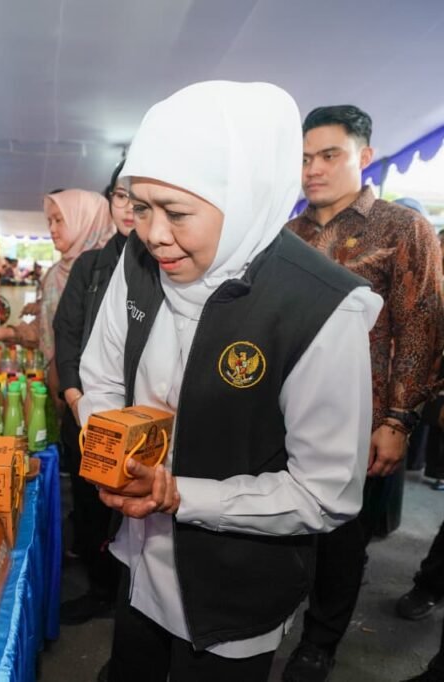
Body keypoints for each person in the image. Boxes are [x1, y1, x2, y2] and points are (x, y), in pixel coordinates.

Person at [78, 81, 381, 682]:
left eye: (177, 212)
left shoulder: (319, 306)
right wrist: (107, 452)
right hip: (139, 557)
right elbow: (102, 378)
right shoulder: (137, 261)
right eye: (140, 207)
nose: (154, 233)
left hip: (233, 584)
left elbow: (324, 492)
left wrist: (179, 495)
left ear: (243, 196)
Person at [282, 105, 444, 682]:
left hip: (364, 416)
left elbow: (421, 325)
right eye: (304, 158)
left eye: (330, 155)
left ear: (364, 156)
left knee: (341, 537)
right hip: (287, 413)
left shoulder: (402, 228)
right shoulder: (288, 233)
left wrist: (398, 419)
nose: (313, 169)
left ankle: (319, 643)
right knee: (286, 522)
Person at [51, 160, 134, 625]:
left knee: (139, 516)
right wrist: (74, 396)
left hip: (140, 418)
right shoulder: (92, 265)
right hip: (85, 415)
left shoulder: (167, 261)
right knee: (90, 508)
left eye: (137, 197)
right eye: (119, 196)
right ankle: (102, 590)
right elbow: (67, 333)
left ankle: (131, 600)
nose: (127, 207)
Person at [0, 189, 111, 402]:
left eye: (59, 220)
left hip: (95, 393)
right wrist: (5, 333)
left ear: (83, 220)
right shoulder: (54, 274)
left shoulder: (108, 271)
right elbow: (46, 327)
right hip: (58, 389)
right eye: (49, 221)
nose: (51, 229)